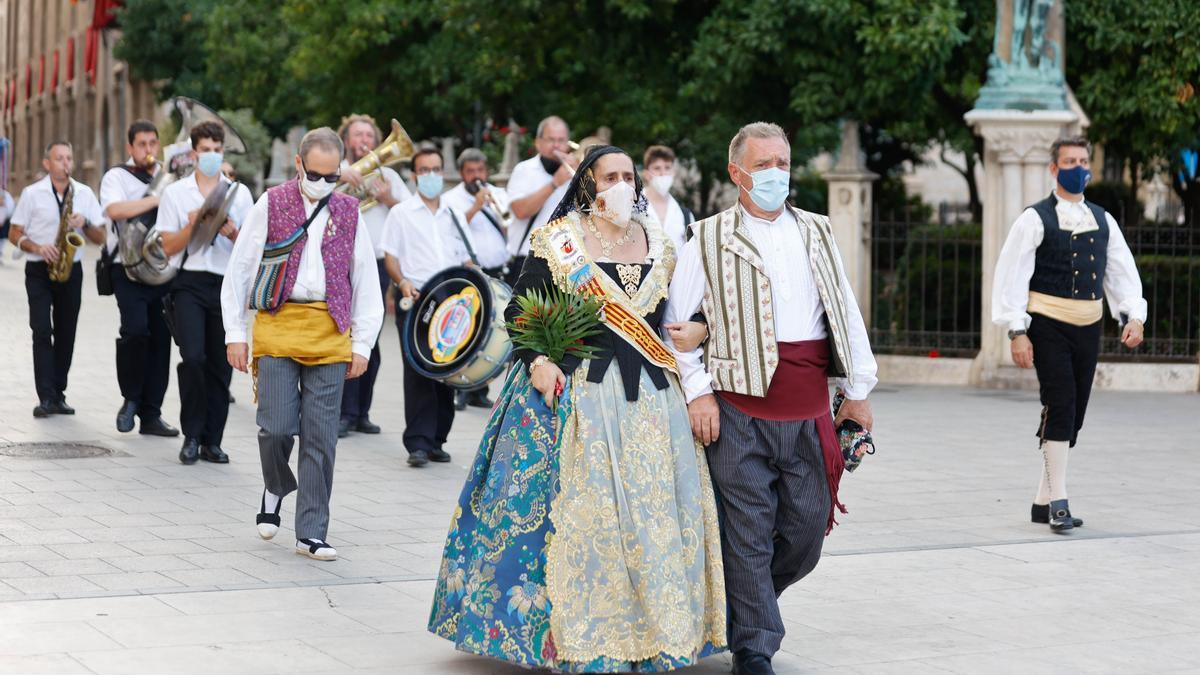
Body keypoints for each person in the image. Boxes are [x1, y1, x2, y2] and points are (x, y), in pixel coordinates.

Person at [429, 145, 726, 671]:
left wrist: (699, 326)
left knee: (652, 521)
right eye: (609, 176)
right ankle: (585, 635)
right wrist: (539, 360)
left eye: (629, 176)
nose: (622, 185)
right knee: (587, 523)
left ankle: (659, 630)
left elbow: (688, 308)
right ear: (587, 184)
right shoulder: (557, 242)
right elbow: (519, 313)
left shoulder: (660, 240)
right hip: (577, 394)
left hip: (653, 401)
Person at [664, 122, 878, 675]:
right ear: (737, 174)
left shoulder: (818, 230)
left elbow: (844, 309)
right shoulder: (706, 237)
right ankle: (753, 647)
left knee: (807, 532)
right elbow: (679, 325)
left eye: (782, 163)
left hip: (808, 410)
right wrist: (697, 394)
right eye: (763, 166)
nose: (776, 174)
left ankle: (744, 606)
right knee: (749, 531)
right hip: (736, 409)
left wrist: (857, 391)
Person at [223, 127, 383, 562]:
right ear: (299, 165)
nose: (325, 185)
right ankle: (276, 484)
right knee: (275, 427)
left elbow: (366, 280)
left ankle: (311, 531)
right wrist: (235, 333)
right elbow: (240, 270)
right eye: (316, 175)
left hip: (331, 329)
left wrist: (363, 344)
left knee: (321, 436)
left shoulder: (350, 211)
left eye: (333, 177)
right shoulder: (271, 203)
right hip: (278, 322)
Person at [992, 136, 1146, 533]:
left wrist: (1133, 315)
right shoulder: (1034, 218)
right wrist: (1017, 331)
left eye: (1082, 160)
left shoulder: (1103, 219)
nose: (1077, 167)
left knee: (1074, 413)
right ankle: (1059, 502)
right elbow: (1012, 277)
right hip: (1047, 323)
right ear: (1053, 168)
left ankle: (1042, 500)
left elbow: (1120, 273)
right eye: (1069, 161)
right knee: (1060, 401)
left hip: (1089, 325)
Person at [155, 121, 253, 465]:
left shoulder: (238, 194)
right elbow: (166, 246)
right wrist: (192, 225)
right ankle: (192, 435)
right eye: (205, 150)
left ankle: (214, 439)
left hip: (226, 285)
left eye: (217, 150)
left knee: (219, 365)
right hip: (190, 283)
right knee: (193, 358)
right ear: (193, 153)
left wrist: (230, 231)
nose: (211, 156)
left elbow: (253, 249)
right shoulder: (176, 193)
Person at [382, 146, 476, 467]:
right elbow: (391, 257)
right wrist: (402, 281)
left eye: (436, 169)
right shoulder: (401, 213)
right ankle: (418, 443)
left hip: (451, 302)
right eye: (425, 171)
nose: (432, 176)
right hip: (418, 299)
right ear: (414, 175)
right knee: (419, 371)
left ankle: (437, 439)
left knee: (447, 372)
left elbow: (464, 257)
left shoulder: (454, 214)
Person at [8, 141, 105, 417]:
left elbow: (101, 237)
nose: (65, 163)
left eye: (69, 158)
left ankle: (59, 392)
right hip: (39, 270)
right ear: (46, 163)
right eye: (59, 158)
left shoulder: (84, 194)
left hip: (70, 270)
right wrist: (36, 247)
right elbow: (15, 232)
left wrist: (84, 224)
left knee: (66, 332)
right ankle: (46, 396)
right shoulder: (31, 193)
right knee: (41, 330)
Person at [99, 120, 179, 437]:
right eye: (142, 144)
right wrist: (155, 200)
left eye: (152, 143)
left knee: (161, 340)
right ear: (131, 147)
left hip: (162, 268)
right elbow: (115, 210)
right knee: (135, 331)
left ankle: (151, 414)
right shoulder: (116, 176)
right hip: (126, 266)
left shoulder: (169, 178)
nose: (148, 149)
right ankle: (130, 399)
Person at [337, 113, 412, 437]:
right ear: (346, 140)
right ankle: (344, 411)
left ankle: (361, 412)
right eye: (357, 135)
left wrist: (386, 198)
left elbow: (412, 216)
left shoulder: (389, 176)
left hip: (378, 264)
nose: (364, 140)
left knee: (370, 337)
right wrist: (343, 175)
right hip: (341, 261)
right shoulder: (335, 168)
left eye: (369, 134)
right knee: (345, 336)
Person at [441, 147, 508, 410]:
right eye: (471, 172)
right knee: (469, 331)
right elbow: (453, 231)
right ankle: (463, 387)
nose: (476, 176)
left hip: (497, 267)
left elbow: (509, 225)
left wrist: (493, 206)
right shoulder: (451, 199)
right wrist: (477, 205)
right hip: (469, 272)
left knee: (493, 331)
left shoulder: (498, 193)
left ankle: (481, 389)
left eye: (480, 170)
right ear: (461, 173)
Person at [503, 115, 574, 286]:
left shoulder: (574, 172)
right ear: (538, 142)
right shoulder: (523, 170)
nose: (556, 145)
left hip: (566, 262)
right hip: (528, 261)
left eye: (561, 140)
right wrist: (554, 183)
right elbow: (521, 211)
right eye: (551, 140)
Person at [642, 144, 695, 252]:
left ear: (673, 173)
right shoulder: (633, 208)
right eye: (657, 168)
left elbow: (691, 254)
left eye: (667, 168)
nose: (663, 173)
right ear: (646, 174)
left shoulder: (685, 215)